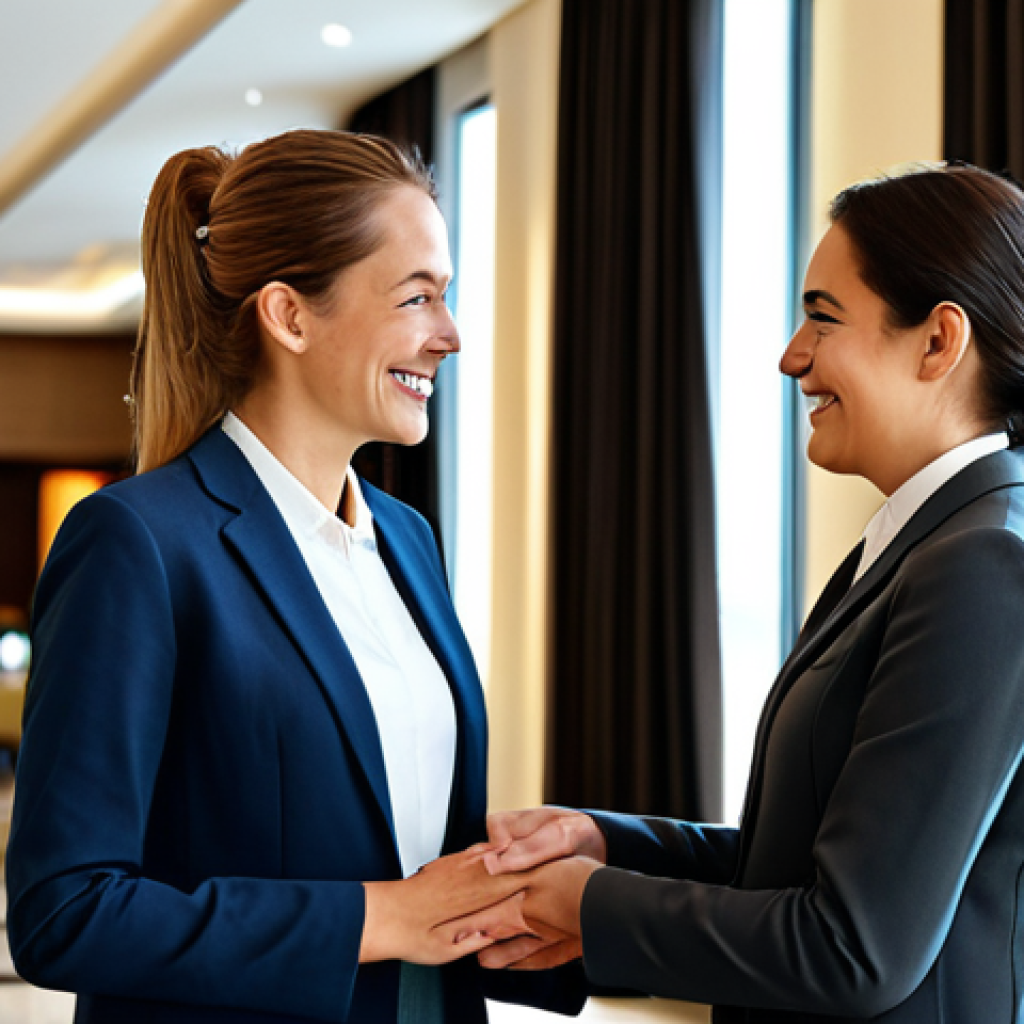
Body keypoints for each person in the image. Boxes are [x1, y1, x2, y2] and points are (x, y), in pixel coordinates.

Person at [4, 129, 583, 1023]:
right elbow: (64, 911)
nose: (451, 335)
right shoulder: (136, 543)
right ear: (290, 315)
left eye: (447, 297)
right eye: (417, 297)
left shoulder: (408, 540)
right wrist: (375, 917)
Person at [465, 163, 1024, 1023]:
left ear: (938, 342)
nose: (792, 355)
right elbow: (802, 865)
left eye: (821, 317)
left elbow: (850, 948)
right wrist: (607, 844)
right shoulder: (925, 543)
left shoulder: (982, 563)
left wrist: (586, 903)